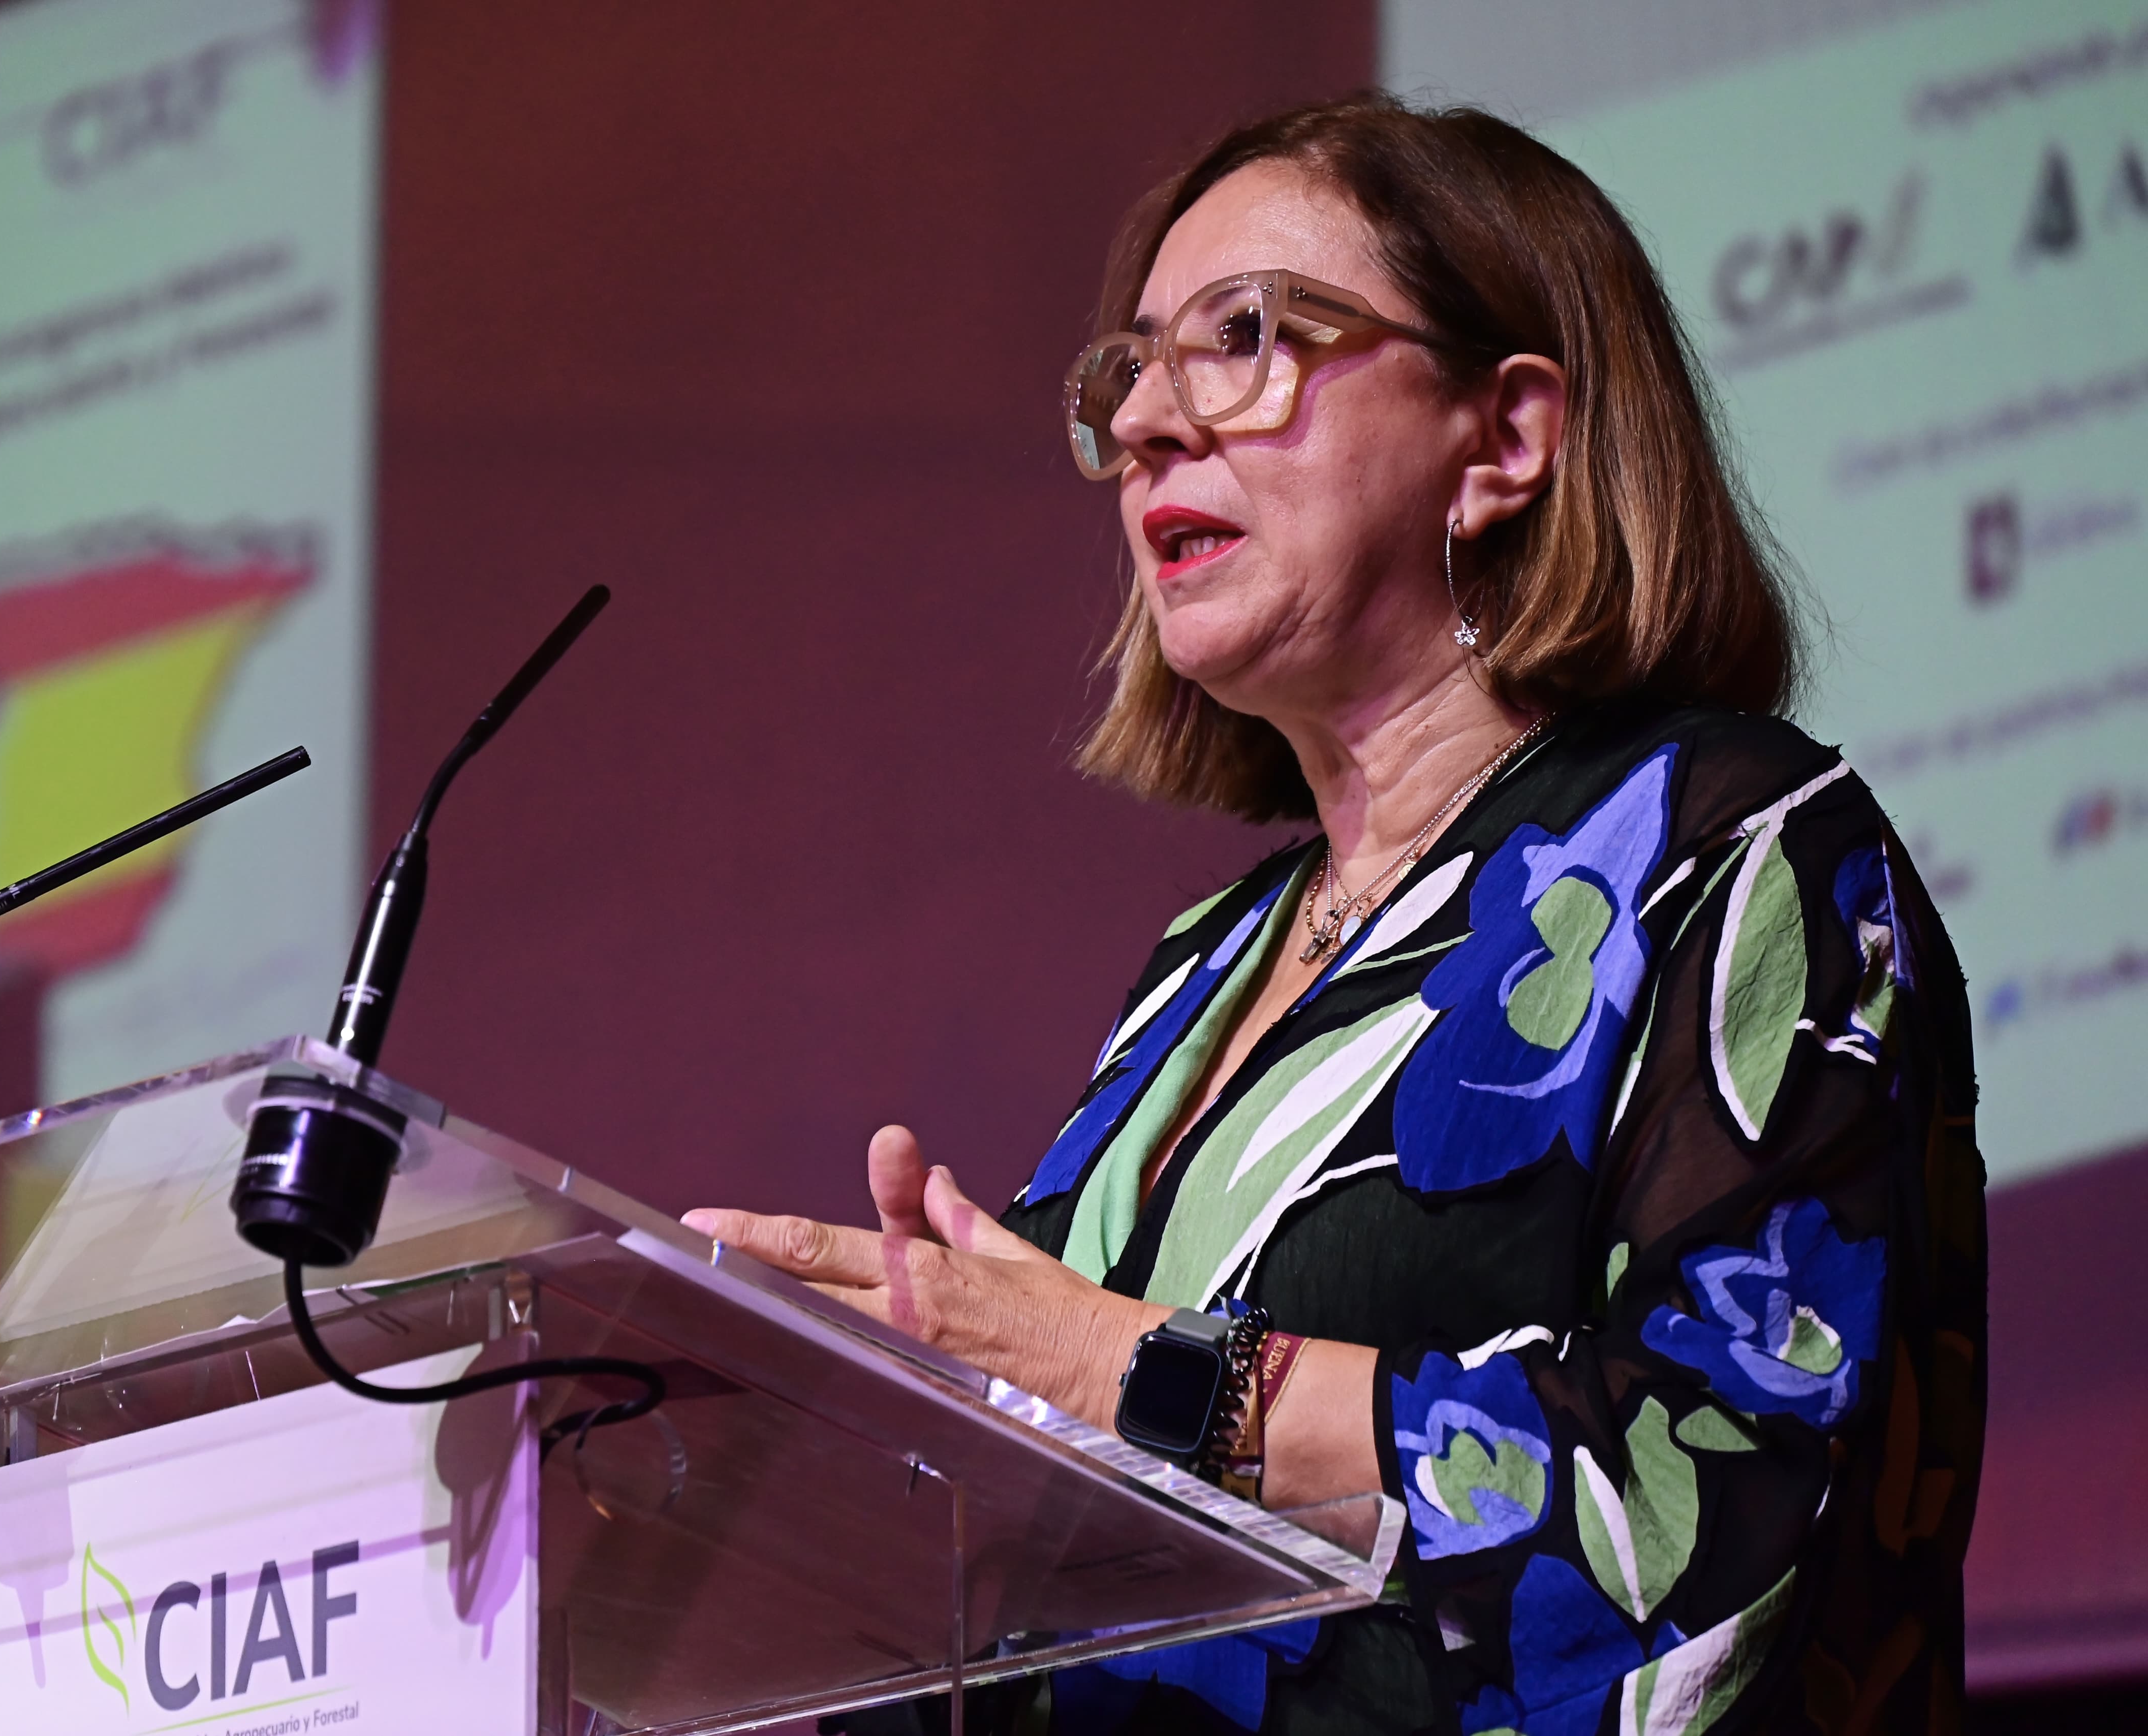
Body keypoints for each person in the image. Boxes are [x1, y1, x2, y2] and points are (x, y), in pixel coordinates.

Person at [683, 95, 1984, 1736]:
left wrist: (1133, 1369)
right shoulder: (1203, 969)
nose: (1150, 419)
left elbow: (1731, 1506)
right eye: (1134, 368)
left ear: (1504, 438)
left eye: (1243, 338)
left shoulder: (1736, 851)